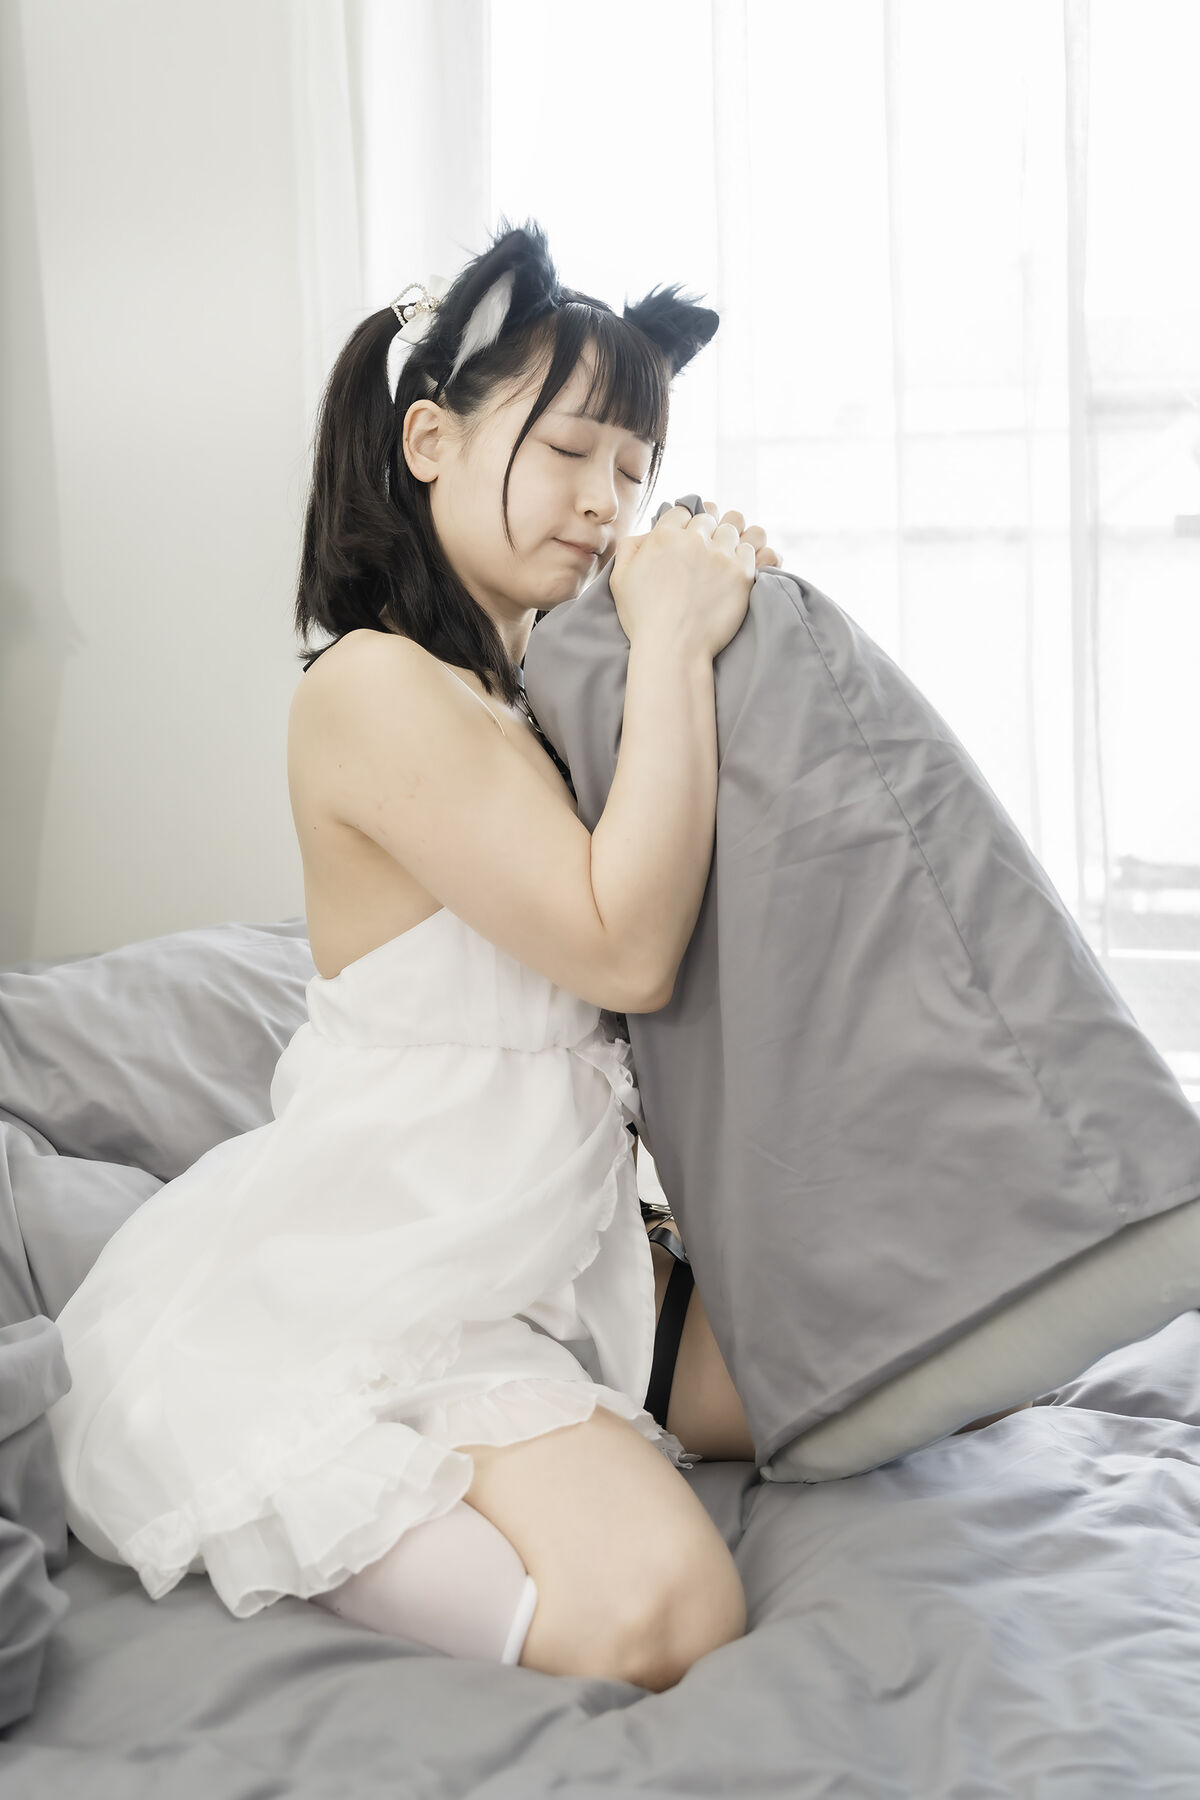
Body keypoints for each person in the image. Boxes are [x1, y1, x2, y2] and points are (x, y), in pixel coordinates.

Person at [45, 217, 772, 1691]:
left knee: (880, 1366)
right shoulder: (369, 687)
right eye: (569, 451)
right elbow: (624, 949)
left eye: (635, 469)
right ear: (430, 441)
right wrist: (676, 644)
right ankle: (337, 1521)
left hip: (570, 1238)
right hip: (408, 1256)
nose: (606, 503)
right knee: (669, 1615)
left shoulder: (539, 696)